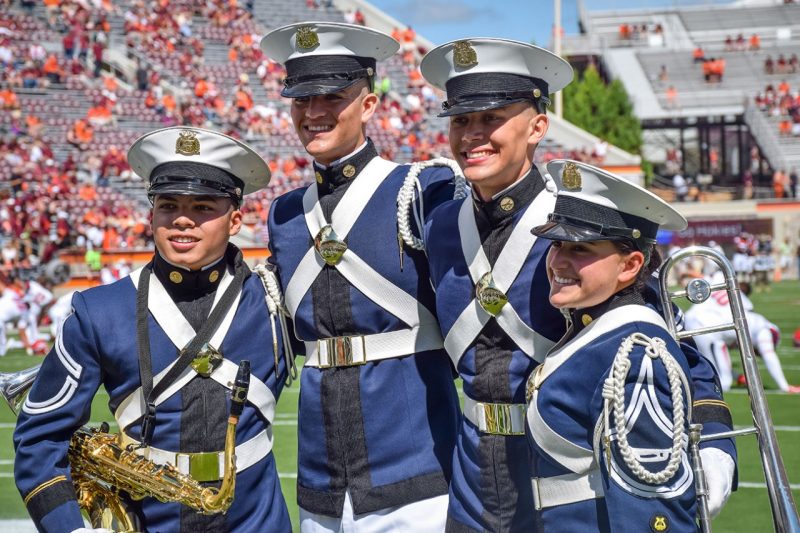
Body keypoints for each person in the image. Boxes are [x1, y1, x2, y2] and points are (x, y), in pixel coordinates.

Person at [420, 38, 737, 531]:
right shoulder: (440, 227)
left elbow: (666, 350)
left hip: (559, 484)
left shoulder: (586, 229)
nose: (472, 135)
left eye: (493, 117)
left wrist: (715, 442)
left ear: (538, 127)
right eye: (461, 120)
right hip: (472, 486)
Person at [14, 127, 293, 532]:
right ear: (150, 216)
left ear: (235, 220)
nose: (182, 219)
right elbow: (40, 438)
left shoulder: (273, 300)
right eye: (168, 205)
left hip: (257, 523)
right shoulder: (99, 310)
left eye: (202, 206)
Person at [260, 22, 461, 531]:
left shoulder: (420, 189)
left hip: (418, 475)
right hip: (321, 486)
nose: (313, 112)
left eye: (332, 97)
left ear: (368, 106)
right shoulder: (284, 215)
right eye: (301, 100)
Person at [526, 160, 697, 531]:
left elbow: (652, 514)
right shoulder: (593, 329)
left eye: (582, 249)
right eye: (556, 243)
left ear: (630, 264)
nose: (558, 261)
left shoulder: (635, 356)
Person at [684, 279, 800, 393]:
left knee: (710, 367)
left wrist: (738, 377)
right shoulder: (761, 327)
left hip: (693, 320)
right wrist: (785, 386)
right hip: (705, 327)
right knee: (723, 382)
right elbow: (769, 356)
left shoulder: (743, 312)